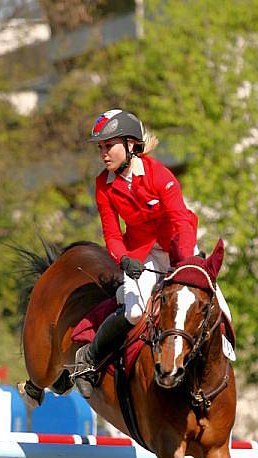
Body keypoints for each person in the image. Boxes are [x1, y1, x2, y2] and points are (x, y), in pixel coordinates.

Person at [74, 108, 199, 381]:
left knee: (211, 301)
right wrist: (122, 259)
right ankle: (90, 359)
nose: (103, 153)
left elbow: (180, 220)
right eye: (101, 148)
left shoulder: (159, 175)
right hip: (142, 252)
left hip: (180, 246)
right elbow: (112, 234)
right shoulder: (102, 185)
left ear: (130, 145)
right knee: (132, 312)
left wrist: (186, 263)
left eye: (109, 146)